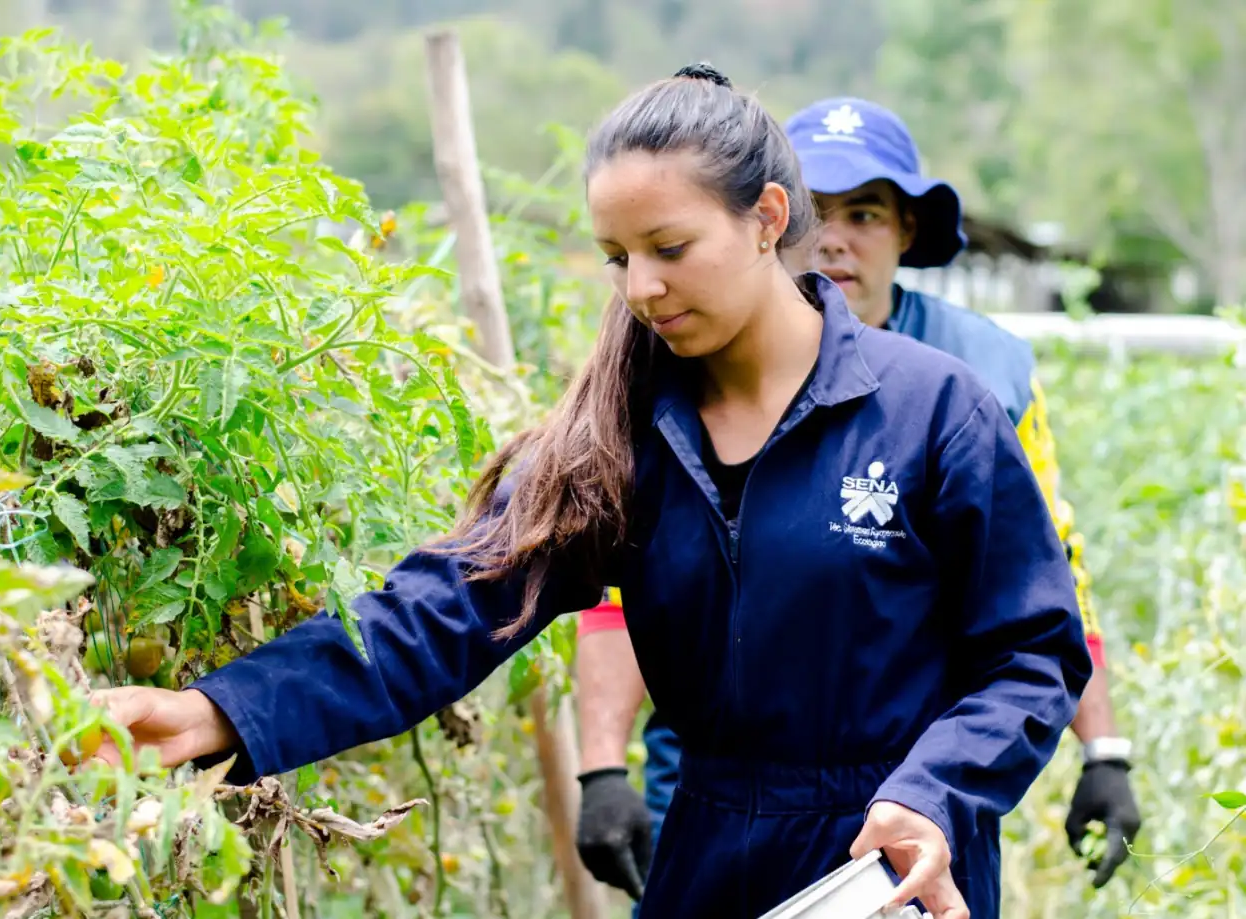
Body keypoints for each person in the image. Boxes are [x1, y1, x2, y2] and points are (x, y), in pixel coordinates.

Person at [92, 66, 1091, 919]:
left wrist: (933, 792)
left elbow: (1029, 652)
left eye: (668, 249)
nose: (639, 289)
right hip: (706, 849)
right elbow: (444, 608)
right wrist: (223, 711)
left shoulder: (929, 410)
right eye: (618, 258)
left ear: (766, 220)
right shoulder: (621, 433)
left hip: (889, 862)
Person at [571, 95, 1142, 909]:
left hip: (910, 807)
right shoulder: (671, 367)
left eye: (865, 212)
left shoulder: (976, 377)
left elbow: (1043, 588)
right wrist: (601, 768)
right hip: (707, 793)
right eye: (819, 210)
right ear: (772, 219)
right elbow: (617, 582)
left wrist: (1103, 752)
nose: (834, 237)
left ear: (908, 229)